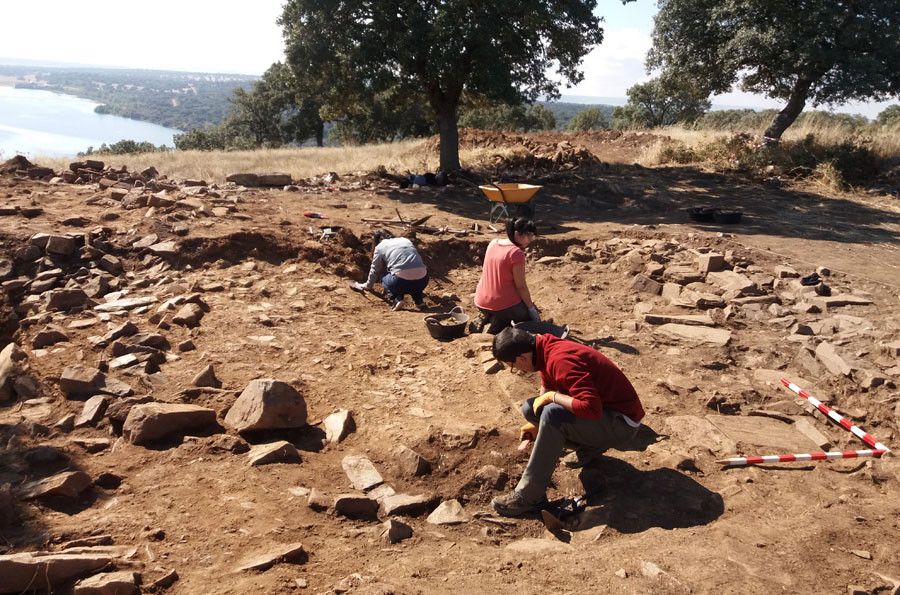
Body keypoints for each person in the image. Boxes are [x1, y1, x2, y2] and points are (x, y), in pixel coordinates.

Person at [489, 327, 645, 517]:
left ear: (521, 359)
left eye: (512, 366)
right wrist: (537, 424)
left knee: (553, 413)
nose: (516, 370)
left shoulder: (561, 360)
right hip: (605, 414)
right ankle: (588, 447)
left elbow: (591, 408)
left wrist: (553, 398)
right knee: (531, 409)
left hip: (622, 423)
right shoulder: (542, 348)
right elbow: (547, 384)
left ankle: (529, 497)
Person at [473, 218, 539, 334]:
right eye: (529, 235)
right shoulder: (516, 253)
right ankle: (497, 323)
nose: (530, 239)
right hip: (502, 306)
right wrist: (531, 309)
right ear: (518, 234)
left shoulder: (493, 243)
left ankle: (489, 316)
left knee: (522, 307)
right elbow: (521, 287)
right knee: (526, 317)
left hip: (480, 301)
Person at [350, 229, 428, 311]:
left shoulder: (380, 247)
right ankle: (419, 302)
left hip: (400, 282)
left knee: (383, 276)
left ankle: (397, 299)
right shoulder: (405, 240)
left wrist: (367, 286)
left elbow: (375, 270)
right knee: (414, 281)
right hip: (423, 280)